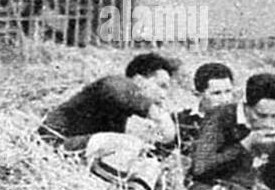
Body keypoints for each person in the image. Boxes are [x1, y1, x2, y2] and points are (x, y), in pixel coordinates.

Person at [38, 52, 179, 154]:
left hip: (69, 149)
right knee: (130, 144)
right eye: (161, 86)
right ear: (139, 80)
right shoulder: (116, 85)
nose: (164, 95)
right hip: (51, 146)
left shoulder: (124, 106)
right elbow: (113, 88)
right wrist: (156, 113)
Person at [172, 62, 237, 159]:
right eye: (216, 93)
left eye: (228, 92)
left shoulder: (241, 121)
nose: (225, 99)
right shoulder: (179, 121)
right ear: (198, 94)